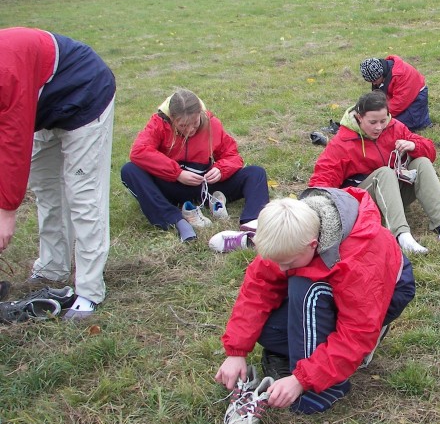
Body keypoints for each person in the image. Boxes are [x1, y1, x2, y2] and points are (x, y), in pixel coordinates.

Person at [214, 188, 415, 424]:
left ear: (313, 245)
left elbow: (356, 331)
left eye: (286, 263)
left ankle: (327, 386)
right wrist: (236, 350)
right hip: (329, 281)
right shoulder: (289, 234)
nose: (279, 268)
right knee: (269, 330)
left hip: (383, 294)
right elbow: (258, 289)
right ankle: (308, 358)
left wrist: (302, 380)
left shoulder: (358, 261)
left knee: (305, 288)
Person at [0, 27, 116, 319]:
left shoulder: (5, 72)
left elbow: (13, 141)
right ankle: (52, 267)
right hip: (42, 105)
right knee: (47, 189)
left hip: (86, 93)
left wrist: (6, 211)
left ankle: (89, 290)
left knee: (82, 193)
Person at [308, 90, 440, 254]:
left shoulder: (394, 127)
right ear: (359, 117)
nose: (379, 127)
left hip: (393, 196)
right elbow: (321, 183)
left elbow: (430, 151)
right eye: (372, 122)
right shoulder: (342, 143)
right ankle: (401, 236)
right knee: (384, 173)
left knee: (422, 162)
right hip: (361, 204)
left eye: (383, 121)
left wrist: (414, 146)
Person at [120, 89, 269, 245]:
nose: (190, 130)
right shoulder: (159, 124)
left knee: (256, 173)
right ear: (172, 118)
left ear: (200, 114)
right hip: (171, 187)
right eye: (183, 125)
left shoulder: (212, 124)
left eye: (195, 124)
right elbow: (138, 151)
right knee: (129, 170)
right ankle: (176, 221)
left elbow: (232, 155)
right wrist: (177, 173)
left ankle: (252, 224)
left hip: (205, 186)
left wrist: (220, 169)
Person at [360, 55, 431, 131]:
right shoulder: (385, 70)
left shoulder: (400, 75)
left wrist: (380, 115)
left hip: (417, 98)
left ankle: (423, 123)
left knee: (393, 125)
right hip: (402, 98)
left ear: (381, 74)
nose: (374, 84)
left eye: (375, 81)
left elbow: (399, 102)